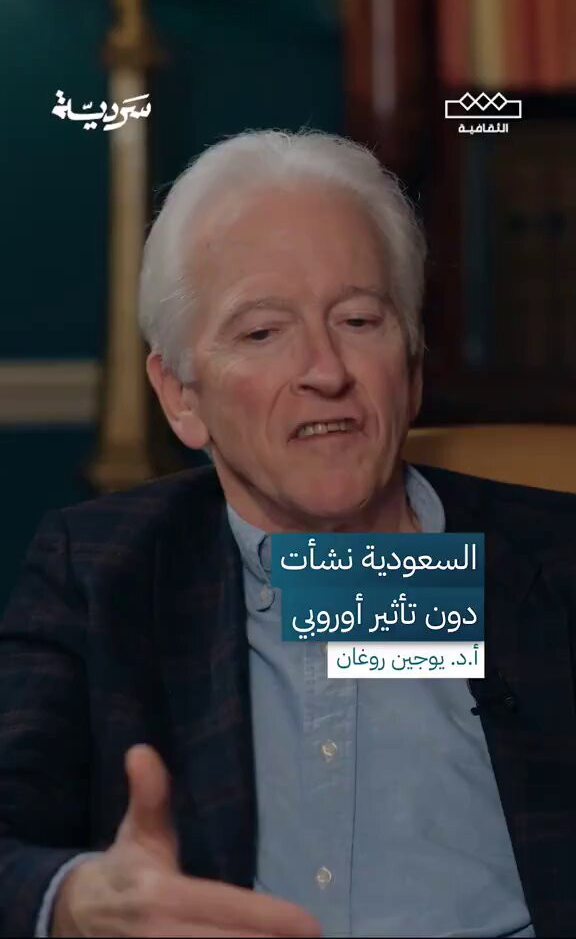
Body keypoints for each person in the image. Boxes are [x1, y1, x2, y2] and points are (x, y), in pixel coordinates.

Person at [1, 130, 575, 939]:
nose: (325, 371)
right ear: (181, 396)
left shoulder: (551, 562)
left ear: (412, 365)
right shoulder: (101, 573)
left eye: (360, 319)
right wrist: (75, 901)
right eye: (263, 332)